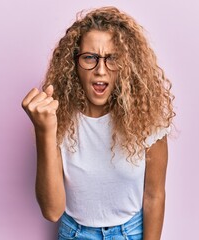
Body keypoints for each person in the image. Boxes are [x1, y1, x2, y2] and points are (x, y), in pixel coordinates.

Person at [21, 6, 175, 240]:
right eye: (90, 58)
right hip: (74, 234)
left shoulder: (147, 117)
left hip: (130, 233)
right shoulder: (57, 117)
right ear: (74, 63)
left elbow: (154, 196)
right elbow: (52, 211)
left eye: (112, 58)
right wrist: (45, 131)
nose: (100, 70)